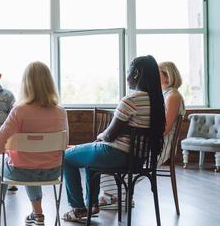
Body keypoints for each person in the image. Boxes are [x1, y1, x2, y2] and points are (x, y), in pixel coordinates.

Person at [62, 55, 166, 222]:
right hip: (137, 159)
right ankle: (92, 205)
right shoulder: (158, 103)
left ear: (136, 73)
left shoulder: (131, 100)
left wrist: (99, 136)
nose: (126, 77)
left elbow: (109, 135)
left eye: (128, 72)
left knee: (66, 157)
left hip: (114, 154)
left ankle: (78, 208)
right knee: (90, 159)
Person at [0, 62, 69, 226]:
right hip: (53, 172)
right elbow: (64, 144)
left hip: (20, 172)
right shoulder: (60, 111)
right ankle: (38, 214)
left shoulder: (19, 111)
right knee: (33, 161)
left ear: (26, 83)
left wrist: (8, 149)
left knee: (0, 163)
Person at [97, 60, 186, 209]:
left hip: (159, 145)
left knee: (119, 153)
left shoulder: (173, 96)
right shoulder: (160, 95)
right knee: (113, 149)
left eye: (156, 73)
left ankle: (117, 196)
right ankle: (117, 195)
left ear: (167, 76)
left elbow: (165, 128)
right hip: (151, 140)